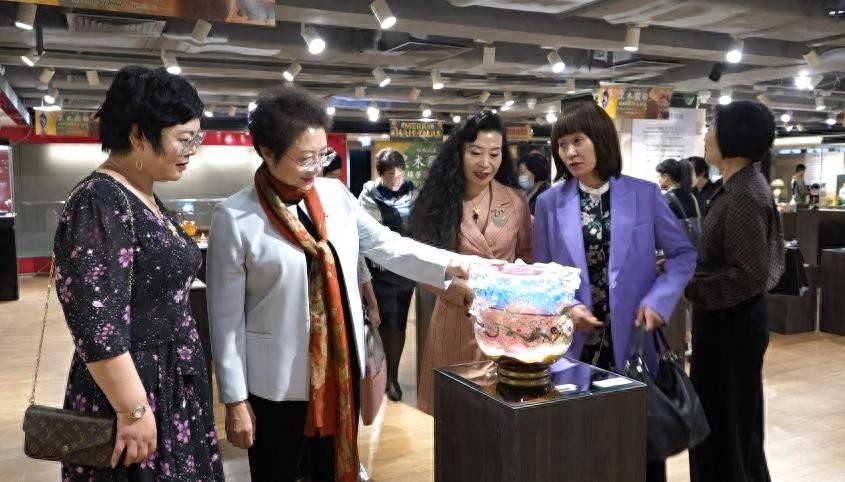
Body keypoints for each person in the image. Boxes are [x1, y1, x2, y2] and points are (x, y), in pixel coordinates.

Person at [206, 86, 477, 482]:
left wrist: (459, 264)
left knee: (331, 472)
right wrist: (233, 399)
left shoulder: (334, 196)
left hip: (340, 374)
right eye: (305, 158)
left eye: (322, 155)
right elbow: (225, 321)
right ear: (268, 152)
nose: (316, 168)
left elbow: (389, 246)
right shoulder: (235, 217)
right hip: (275, 386)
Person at [52, 66, 224, 481]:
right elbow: (95, 322)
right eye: (184, 138)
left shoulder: (141, 194)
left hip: (168, 380)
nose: (192, 150)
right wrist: (132, 409)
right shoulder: (99, 199)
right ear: (137, 135)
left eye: (195, 138)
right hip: (135, 388)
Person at [532, 101, 696, 482]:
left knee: (640, 447)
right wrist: (567, 305)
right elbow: (543, 273)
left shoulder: (643, 194)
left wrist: (658, 300)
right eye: (562, 145)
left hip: (635, 344)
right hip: (577, 347)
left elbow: (683, 254)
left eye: (578, 141)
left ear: (601, 139)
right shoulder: (549, 202)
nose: (569, 152)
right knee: (583, 449)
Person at [684, 101, 784, 482]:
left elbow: (748, 275)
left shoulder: (744, 194)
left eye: (713, 126)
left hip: (730, 325)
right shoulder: (741, 186)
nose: (706, 134)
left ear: (733, 136)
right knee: (735, 427)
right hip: (732, 323)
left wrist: (692, 284)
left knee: (724, 428)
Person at [411, 110, 533, 415]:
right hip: (455, 320)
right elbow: (422, 267)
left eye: (494, 154)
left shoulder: (515, 200)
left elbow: (527, 256)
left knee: (502, 415)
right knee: (454, 416)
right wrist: (463, 291)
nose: (485, 164)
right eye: (475, 153)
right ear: (459, 153)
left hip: (505, 326)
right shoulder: (438, 202)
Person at [358, 148, 419, 402]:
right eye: (390, 175)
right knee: (384, 322)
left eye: (399, 174)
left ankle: (391, 375)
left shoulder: (414, 193)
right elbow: (366, 236)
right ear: (380, 174)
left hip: (406, 270)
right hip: (380, 272)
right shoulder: (368, 197)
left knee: (400, 323)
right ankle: (384, 376)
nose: (396, 179)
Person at [656, 158, 701, 242]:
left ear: (665, 177)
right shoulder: (691, 196)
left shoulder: (664, 199)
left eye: (659, 177)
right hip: (693, 245)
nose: (659, 181)